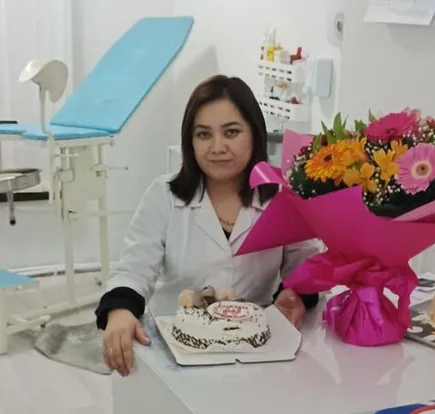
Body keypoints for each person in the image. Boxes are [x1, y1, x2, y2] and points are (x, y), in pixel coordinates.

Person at [95, 75, 321, 376]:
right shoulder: (165, 195)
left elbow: (306, 266)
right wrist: (120, 310)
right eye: (203, 134)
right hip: (175, 352)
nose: (217, 147)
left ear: (255, 134)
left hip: (256, 354)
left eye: (231, 132)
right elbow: (134, 268)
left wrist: (295, 294)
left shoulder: (280, 198)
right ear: (190, 141)